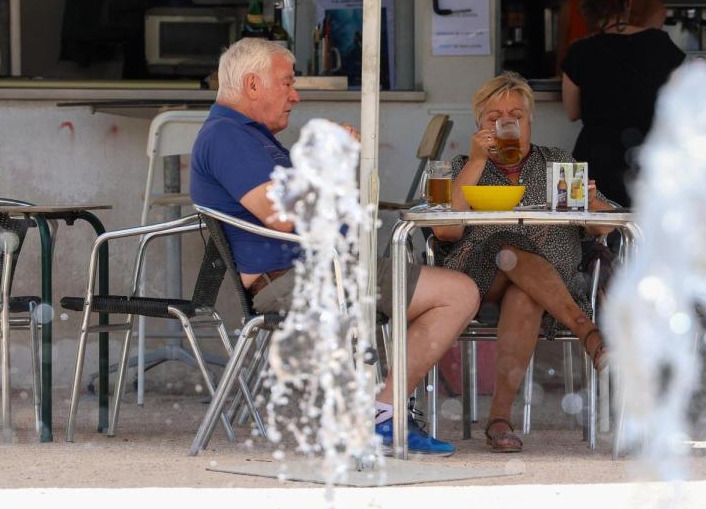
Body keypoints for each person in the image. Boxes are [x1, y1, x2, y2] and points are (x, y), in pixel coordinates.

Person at [189, 38, 479, 457]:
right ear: (252, 86)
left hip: (320, 272)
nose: (295, 95)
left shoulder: (248, 136)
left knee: (454, 290)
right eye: (286, 83)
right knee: (458, 293)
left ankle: (381, 412)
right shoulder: (228, 136)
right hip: (298, 281)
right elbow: (282, 215)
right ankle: (382, 415)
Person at [432, 72, 613, 454]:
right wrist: (478, 161)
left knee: (525, 294)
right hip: (478, 279)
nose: (505, 124)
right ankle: (588, 332)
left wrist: (593, 203)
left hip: (550, 283)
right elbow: (446, 232)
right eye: (493, 118)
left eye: (515, 115)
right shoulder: (461, 166)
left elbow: (602, 227)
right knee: (505, 244)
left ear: (531, 121)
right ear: (479, 126)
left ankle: (499, 419)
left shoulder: (557, 163)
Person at [561, 0, 685, 206]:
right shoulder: (661, 44)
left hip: (592, 163)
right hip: (650, 160)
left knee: (586, 237)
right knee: (648, 236)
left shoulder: (580, 51)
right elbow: (683, 104)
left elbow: (572, 112)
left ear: (588, 5)